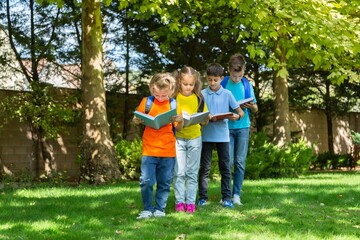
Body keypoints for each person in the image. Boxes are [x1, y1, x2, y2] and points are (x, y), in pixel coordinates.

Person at [133, 72, 184, 220]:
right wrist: (137, 120)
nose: (161, 98)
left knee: (164, 182)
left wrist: (180, 120)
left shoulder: (173, 104)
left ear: (171, 90)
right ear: (152, 89)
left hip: (168, 150)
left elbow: (179, 128)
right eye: (158, 95)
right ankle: (148, 209)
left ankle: (160, 208)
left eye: (164, 95)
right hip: (149, 149)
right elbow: (136, 119)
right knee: (146, 181)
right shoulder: (146, 102)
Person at [198, 63, 245, 208]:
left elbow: (240, 112)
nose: (212, 83)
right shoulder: (202, 94)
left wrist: (235, 117)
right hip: (206, 136)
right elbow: (198, 115)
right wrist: (205, 117)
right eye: (210, 80)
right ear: (207, 78)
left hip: (223, 136)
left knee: (225, 167)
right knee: (204, 168)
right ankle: (203, 198)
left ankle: (226, 198)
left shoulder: (227, 94)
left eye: (216, 80)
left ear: (221, 78)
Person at [222, 53, 258, 205]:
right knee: (227, 162)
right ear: (229, 70)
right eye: (234, 75)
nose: (236, 79)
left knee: (240, 162)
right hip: (227, 127)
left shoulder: (247, 85)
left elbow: (255, 108)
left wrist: (251, 106)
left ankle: (237, 194)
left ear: (244, 70)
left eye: (239, 75)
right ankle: (226, 194)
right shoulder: (223, 83)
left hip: (243, 127)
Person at [172, 66, 209, 214]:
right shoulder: (174, 99)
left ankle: (190, 203)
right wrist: (179, 120)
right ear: (179, 81)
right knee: (179, 172)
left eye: (191, 84)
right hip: (179, 139)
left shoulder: (199, 98)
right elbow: (176, 126)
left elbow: (204, 122)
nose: (188, 87)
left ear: (196, 84)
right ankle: (180, 202)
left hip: (195, 138)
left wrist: (205, 118)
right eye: (185, 84)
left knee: (192, 173)